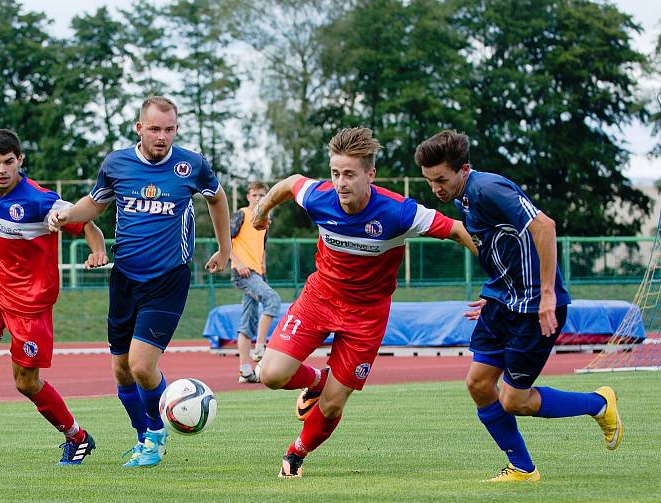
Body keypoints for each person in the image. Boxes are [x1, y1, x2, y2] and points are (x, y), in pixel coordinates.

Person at [251, 127, 477, 477]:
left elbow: (459, 231)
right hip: (319, 299)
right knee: (270, 374)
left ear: (370, 174)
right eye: (335, 173)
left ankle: (295, 454)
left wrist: (501, 276)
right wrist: (263, 211)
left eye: (350, 174)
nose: (341, 182)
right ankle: (315, 379)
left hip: (367, 317)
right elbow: (290, 183)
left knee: (333, 402)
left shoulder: (399, 213)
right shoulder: (319, 196)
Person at [415, 129, 623, 482]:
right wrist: (494, 290)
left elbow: (544, 227)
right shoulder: (462, 199)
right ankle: (523, 468)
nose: (436, 188)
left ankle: (599, 404)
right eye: (430, 181)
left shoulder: (489, 188)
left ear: (464, 169)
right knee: (479, 384)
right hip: (502, 303)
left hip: (533, 309)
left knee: (514, 400)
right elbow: (504, 246)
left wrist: (546, 294)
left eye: (441, 179)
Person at [48, 96, 231, 468]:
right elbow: (95, 204)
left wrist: (225, 248)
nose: (162, 137)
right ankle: (143, 436)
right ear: (139, 128)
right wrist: (67, 214)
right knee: (120, 370)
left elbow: (217, 198)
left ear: (176, 129)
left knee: (142, 366)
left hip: (168, 279)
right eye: (155, 129)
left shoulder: (191, 165)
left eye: (169, 129)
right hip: (125, 278)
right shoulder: (116, 163)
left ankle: (156, 437)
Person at [0, 129, 108, 467]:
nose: (2, 170)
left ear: (20, 162)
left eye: (9, 162)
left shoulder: (42, 201)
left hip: (31, 305)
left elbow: (87, 223)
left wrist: (98, 250)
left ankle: (78, 437)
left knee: (25, 383)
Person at [230, 181, 282, 383]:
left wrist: (263, 265)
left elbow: (263, 245)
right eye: (255, 195)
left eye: (263, 195)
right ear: (248, 197)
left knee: (247, 321)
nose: (259, 199)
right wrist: (236, 262)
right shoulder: (242, 214)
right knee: (272, 300)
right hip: (243, 272)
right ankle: (260, 347)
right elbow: (225, 238)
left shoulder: (265, 219)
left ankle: (244, 370)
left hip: (257, 273)